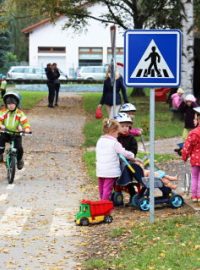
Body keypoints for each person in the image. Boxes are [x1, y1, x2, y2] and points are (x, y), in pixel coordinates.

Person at [96, 118, 135, 200]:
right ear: (113, 131)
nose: (118, 134)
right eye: (117, 132)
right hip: (110, 171)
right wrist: (132, 155)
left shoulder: (100, 140)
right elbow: (124, 153)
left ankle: (101, 201)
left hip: (100, 169)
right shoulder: (115, 143)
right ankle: (104, 204)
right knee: (108, 188)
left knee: (101, 187)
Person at [0, 92, 31, 169]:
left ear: (16, 104)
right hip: (5, 132)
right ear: (6, 104)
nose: (10, 106)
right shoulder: (3, 112)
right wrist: (1, 125)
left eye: (12, 104)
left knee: (19, 148)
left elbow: (25, 122)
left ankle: (19, 160)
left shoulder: (19, 113)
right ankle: (0, 154)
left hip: (16, 134)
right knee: (0, 143)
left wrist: (26, 129)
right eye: (9, 104)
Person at [114, 112, 138, 203]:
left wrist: (127, 155)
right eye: (122, 126)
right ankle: (114, 195)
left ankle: (129, 186)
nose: (125, 128)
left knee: (125, 166)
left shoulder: (131, 139)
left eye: (127, 126)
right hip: (115, 162)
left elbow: (133, 153)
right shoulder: (115, 138)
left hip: (127, 163)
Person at [182, 107, 200, 202]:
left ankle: (194, 196)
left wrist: (184, 157)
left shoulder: (193, 133)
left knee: (195, 177)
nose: (194, 120)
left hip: (195, 159)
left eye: (195, 118)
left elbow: (187, 147)